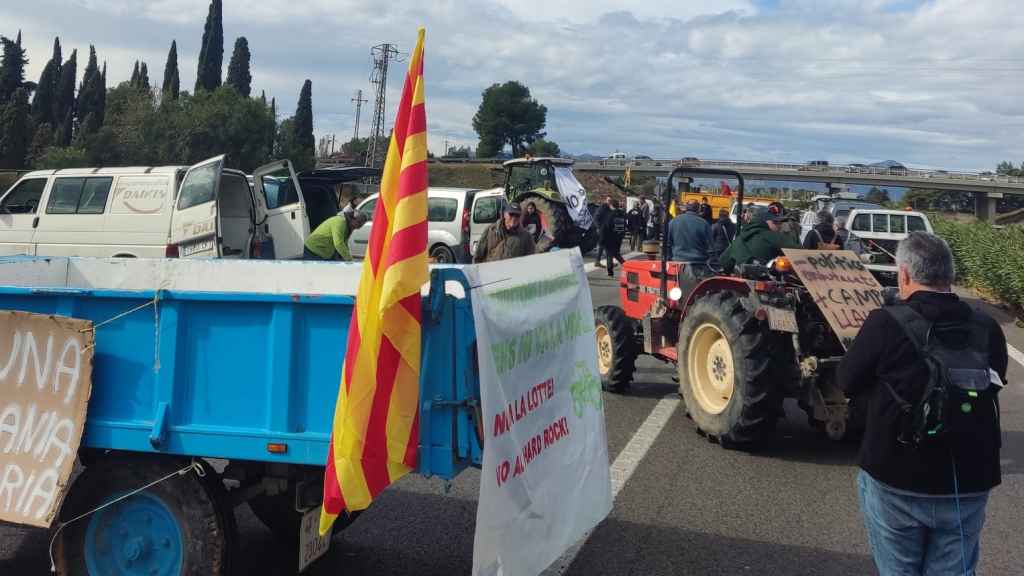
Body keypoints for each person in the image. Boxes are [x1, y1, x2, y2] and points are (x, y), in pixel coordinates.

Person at [837, 232, 1007, 576]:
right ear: (950, 275)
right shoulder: (987, 327)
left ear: (903, 275)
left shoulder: (884, 323)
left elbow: (846, 382)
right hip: (969, 480)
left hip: (896, 477)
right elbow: (994, 381)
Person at [719, 207, 799, 273]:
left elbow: (723, 262)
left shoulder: (740, 238)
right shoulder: (775, 237)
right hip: (768, 286)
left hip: (740, 287)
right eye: (775, 222)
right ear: (766, 221)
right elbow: (802, 253)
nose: (779, 225)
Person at [303, 211, 367, 261]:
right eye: (359, 222)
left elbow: (344, 244)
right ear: (352, 218)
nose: (359, 226)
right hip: (313, 250)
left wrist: (348, 257)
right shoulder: (340, 222)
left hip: (325, 252)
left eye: (362, 224)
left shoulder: (349, 227)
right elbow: (338, 244)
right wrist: (349, 260)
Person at [666, 200, 710, 264]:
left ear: (686, 208)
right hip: (699, 263)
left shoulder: (673, 222)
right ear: (699, 209)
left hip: (677, 262)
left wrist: (669, 260)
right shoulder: (704, 224)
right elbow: (711, 247)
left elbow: (667, 244)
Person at [601, 198, 628, 276]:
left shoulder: (610, 215)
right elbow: (624, 226)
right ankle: (626, 266)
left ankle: (610, 271)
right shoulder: (622, 214)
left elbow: (606, 227)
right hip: (618, 237)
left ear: (611, 205)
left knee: (609, 254)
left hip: (610, 238)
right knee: (616, 254)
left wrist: (602, 239)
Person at [592, 197, 613, 267]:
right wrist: (598, 227)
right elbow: (596, 218)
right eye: (609, 200)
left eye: (611, 201)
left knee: (603, 246)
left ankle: (598, 261)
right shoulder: (602, 208)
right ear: (606, 201)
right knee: (606, 246)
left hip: (606, 231)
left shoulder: (608, 209)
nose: (610, 202)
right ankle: (608, 263)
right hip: (602, 230)